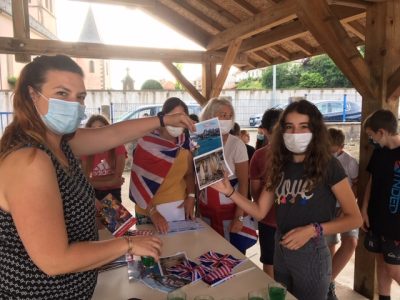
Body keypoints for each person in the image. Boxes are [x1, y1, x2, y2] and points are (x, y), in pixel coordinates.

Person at [0, 55, 194, 299]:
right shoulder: (30, 160)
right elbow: (54, 261)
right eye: (62, 93)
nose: (74, 104)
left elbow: (112, 134)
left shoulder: (60, 144)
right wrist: (129, 245)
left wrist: (163, 120)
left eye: (80, 97)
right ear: (32, 95)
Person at [212, 99, 362, 300]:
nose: (295, 134)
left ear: (315, 130)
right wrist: (229, 191)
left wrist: (313, 230)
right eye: (289, 127)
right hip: (280, 249)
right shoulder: (279, 164)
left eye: (303, 127)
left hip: (312, 254)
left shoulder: (328, 165)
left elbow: (355, 218)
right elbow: (259, 211)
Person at [129, 97, 196, 234]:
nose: (178, 122)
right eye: (173, 116)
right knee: (152, 252)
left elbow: (189, 174)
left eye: (182, 117)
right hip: (148, 212)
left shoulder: (186, 144)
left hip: (177, 209)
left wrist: (191, 196)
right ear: (164, 117)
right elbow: (138, 183)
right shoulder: (147, 143)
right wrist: (153, 212)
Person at [198, 97, 251, 253]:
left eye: (229, 116)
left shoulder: (237, 144)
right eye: (222, 115)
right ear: (210, 116)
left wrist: (239, 216)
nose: (227, 119)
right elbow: (200, 178)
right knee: (210, 253)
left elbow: (244, 183)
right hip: (207, 210)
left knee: (234, 255)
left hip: (231, 211)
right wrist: (196, 205)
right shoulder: (203, 140)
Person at [361, 109, 400, 300]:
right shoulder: (379, 153)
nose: (371, 140)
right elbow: (372, 180)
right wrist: (364, 208)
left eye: (371, 135)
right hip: (377, 219)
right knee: (382, 264)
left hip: (396, 224)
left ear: (382, 132)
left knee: (394, 268)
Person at [325, 127, 359, 300]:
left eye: (333, 149)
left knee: (351, 242)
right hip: (327, 208)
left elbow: (356, 185)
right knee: (329, 247)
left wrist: (347, 207)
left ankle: (327, 283)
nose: (329, 152)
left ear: (341, 146)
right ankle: (327, 286)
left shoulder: (350, 162)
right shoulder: (321, 161)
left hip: (347, 209)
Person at [249, 108, 282, 278]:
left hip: (274, 221)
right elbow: (255, 193)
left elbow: (255, 193)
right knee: (271, 263)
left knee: (271, 264)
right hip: (270, 221)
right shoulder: (259, 156)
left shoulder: (259, 155)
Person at [81, 114, 127, 202]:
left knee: (113, 215)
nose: (97, 131)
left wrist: (94, 180)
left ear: (107, 128)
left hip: (113, 193)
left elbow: (117, 177)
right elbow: (86, 180)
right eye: (93, 128)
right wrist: (110, 181)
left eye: (100, 127)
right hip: (93, 193)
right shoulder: (86, 149)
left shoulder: (118, 146)